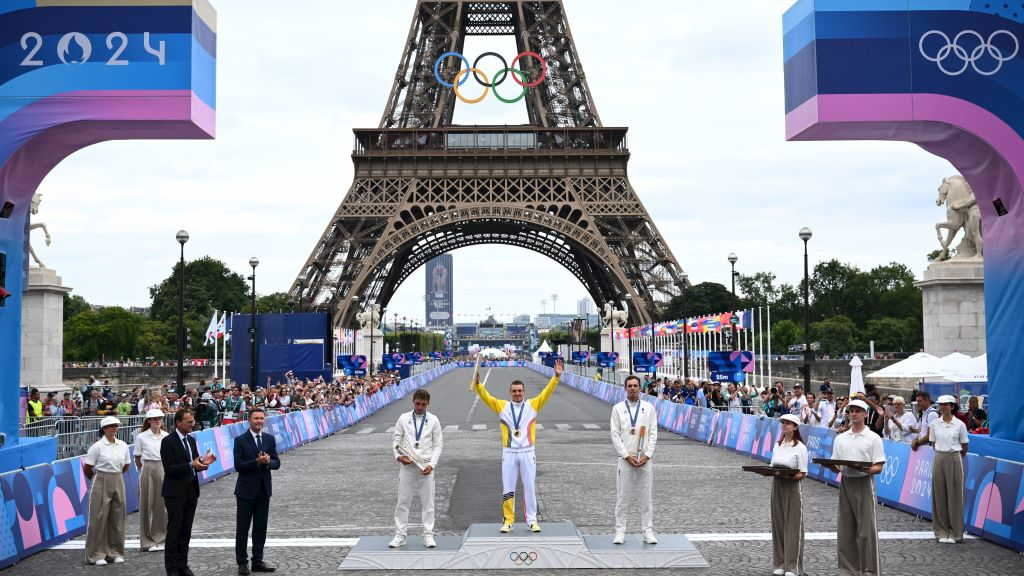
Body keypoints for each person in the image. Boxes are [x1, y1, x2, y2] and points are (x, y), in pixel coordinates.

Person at [472, 358, 563, 533]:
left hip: (528, 452)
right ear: (510, 392)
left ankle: (532, 520)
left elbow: (546, 392)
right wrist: (477, 385)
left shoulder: (533, 404)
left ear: (524, 392)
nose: (517, 394)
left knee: (529, 486)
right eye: (514, 391)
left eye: (520, 391)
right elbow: (486, 397)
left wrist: (556, 378)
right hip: (509, 452)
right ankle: (508, 520)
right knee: (508, 487)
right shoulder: (502, 406)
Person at [824, 399, 886, 576]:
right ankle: (848, 569)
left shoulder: (873, 438)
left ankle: (870, 569)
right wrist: (829, 465)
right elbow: (837, 464)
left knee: (866, 530)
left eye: (858, 411)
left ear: (865, 414)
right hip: (846, 482)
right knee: (846, 529)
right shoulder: (841, 438)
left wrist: (865, 469)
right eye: (851, 411)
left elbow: (879, 466)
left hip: (864, 483)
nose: (854, 414)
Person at [389, 389, 443, 549]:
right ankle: (400, 535)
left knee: (428, 503)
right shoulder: (403, 419)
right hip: (408, 466)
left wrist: (432, 465)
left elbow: (438, 445)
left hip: (425, 466)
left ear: (428, 404)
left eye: (423, 404)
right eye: (417, 404)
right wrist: (399, 457)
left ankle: (428, 535)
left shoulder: (434, 420)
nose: (420, 407)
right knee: (403, 502)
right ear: (413, 402)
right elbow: (396, 440)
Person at [162, 408, 213, 576]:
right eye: (189, 422)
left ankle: (183, 564)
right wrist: (191, 465)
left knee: (186, 530)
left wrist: (203, 463)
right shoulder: (168, 441)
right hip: (175, 492)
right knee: (174, 530)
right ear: (178, 423)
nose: (192, 424)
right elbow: (170, 469)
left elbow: (195, 462)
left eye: (193, 421)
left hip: (191, 490)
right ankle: (172, 568)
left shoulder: (191, 440)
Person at [609, 375, 659, 545]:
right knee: (623, 497)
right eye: (629, 386)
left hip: (644, 459)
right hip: (626, 459)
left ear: (640, 388)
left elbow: (653, 433)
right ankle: (620, 531)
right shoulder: (617, 409)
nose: (632, 388)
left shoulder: (649, 408)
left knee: (646, 498)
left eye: (635, 386)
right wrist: (625, 455)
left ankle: (648, 531)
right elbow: (615, 434)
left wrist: (648, 454)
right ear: (625, 388)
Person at [913, 395, 969, 544]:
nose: (943, 407)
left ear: (952, 406)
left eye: (946, 405)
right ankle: (941, 531)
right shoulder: (935, 424)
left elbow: (964, 446)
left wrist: (954, 455)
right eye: (940, 405)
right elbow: (932, 442)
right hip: (939, 457)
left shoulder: (960, 424)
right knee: (939, 495)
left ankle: (956, 532)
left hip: (954, 457)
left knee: (955, 495)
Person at [234, 407, 280, 574]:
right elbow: (238, 465)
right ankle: (242, 562)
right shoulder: (240, 440)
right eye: (256, 418)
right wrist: (257, 462)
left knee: (260, 528)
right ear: (249, 420)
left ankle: (257, 561)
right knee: (243, 529)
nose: (259, 421)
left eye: (261, 418)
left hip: (263, 490)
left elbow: (277, 463)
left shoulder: (269, 439)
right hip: (245, 491)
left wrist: (268, 462)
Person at [83, 416, 131, 566]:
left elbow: (126, 465)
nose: (113, 429)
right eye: (110, 426)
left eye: (115, 426)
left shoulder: (123, 445)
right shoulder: (97, 447)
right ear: (104, 429)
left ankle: (115, 552)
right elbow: (88, 467)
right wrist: (99, 479)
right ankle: (96, 554)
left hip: (117, 478)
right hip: (101, 478)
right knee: (98, 517)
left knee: (117, 517)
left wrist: (115, 475)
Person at [770, 414, 808, 576]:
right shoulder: (778, 445)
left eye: (788, 423)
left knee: (793, 526)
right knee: (778, 525)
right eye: (783, 423)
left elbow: (803, 472)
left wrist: (790, 476)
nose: (785, 425)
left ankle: (792, 566)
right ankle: (780, 562)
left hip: (792, 486)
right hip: (777, 485)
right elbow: (772, 466)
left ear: (795, 427)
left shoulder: (800, 447)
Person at [134, 409, 169, 552]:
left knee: (162, 505)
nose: (157, 421)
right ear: (148, 421)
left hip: (163, 467)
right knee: (146, 505)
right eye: (154, 419)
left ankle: (160, 537)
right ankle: (147, 540)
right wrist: (144, 470)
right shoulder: (141, 437)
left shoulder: (166, 436)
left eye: (159, 418)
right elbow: (137, 457)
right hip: (148, 467)